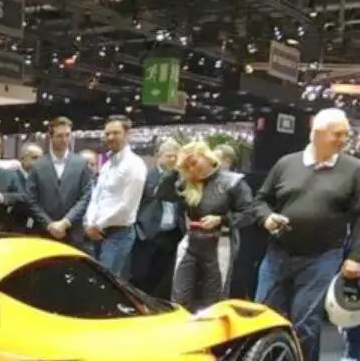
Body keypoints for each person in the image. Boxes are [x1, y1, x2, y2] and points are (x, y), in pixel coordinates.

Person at [253, 107, 360, 361]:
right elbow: (261, 200)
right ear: (317, 133)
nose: (344, 140)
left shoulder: (353, 169)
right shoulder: (286, 164)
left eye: (346, 134)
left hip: (322, 257)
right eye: (338, 134)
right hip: (278, 253)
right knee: (264, 316)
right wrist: (267, 218)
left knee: (305, 322)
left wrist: (355, 257)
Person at [157, 141, 255, 310]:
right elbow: (162, 193)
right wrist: (175, 170)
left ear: (206, 155)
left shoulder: (232, 182)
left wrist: (222, 219)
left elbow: (250, 214)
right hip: (191, 242)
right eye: (187, 167)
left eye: (194, 162)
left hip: (220, 243)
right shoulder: (187, 183)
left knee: (214, 300)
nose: (192, 169)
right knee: (179, 297)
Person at [83, 115, 148, 279]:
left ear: (127, 134)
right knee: (96, 279)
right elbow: (96, 197)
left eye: (116, 133)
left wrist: (97, 225)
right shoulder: (107, 165)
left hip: (118, 234)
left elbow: (127, 206)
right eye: (107, 133)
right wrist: (90, 223)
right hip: (97, 232)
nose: (111, 137)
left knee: (107, 281)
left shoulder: (135, 165)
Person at [24, 116, 92, 251]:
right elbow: (31, 200)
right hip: (44, 233)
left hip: (73, 233)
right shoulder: (38, 166)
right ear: (51, 137)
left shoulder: (81, 164)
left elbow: (85, 197)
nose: (64, 140)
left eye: (67, 135)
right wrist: (49, 224)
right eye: (60, 136)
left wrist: (66, 222)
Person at [132, 139, 184, 296]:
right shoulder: (147, 176)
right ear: (158, 156)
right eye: (169, 156)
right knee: (142, 276)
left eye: (175, 157)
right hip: (148, 234)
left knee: (164, 278)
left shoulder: (181, 179)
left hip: (171, 234)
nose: (172, 160)